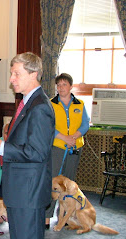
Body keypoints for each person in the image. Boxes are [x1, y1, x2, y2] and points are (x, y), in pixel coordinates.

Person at [0, 52, 55, 239]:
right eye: (11, 73)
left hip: (28, 192)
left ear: (33, 74)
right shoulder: (27, 102)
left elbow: (38, 152)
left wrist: (2, 147)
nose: (11, 79)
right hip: (21, 189)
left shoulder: (39, 107)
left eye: (16, 74)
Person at [45, 73, 90, 229]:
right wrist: (64, 138)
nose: (61, 88)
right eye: (58, 85)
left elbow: (85, 124)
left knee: (69, 183)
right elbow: (48, 125)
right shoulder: (50, 103)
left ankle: (64, 216)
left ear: (71, 87)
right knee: (53, 182)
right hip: (57, 146)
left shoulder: (80, 104)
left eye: (64, 85)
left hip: (74, 148)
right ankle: (47, 217)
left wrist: (74, 137)